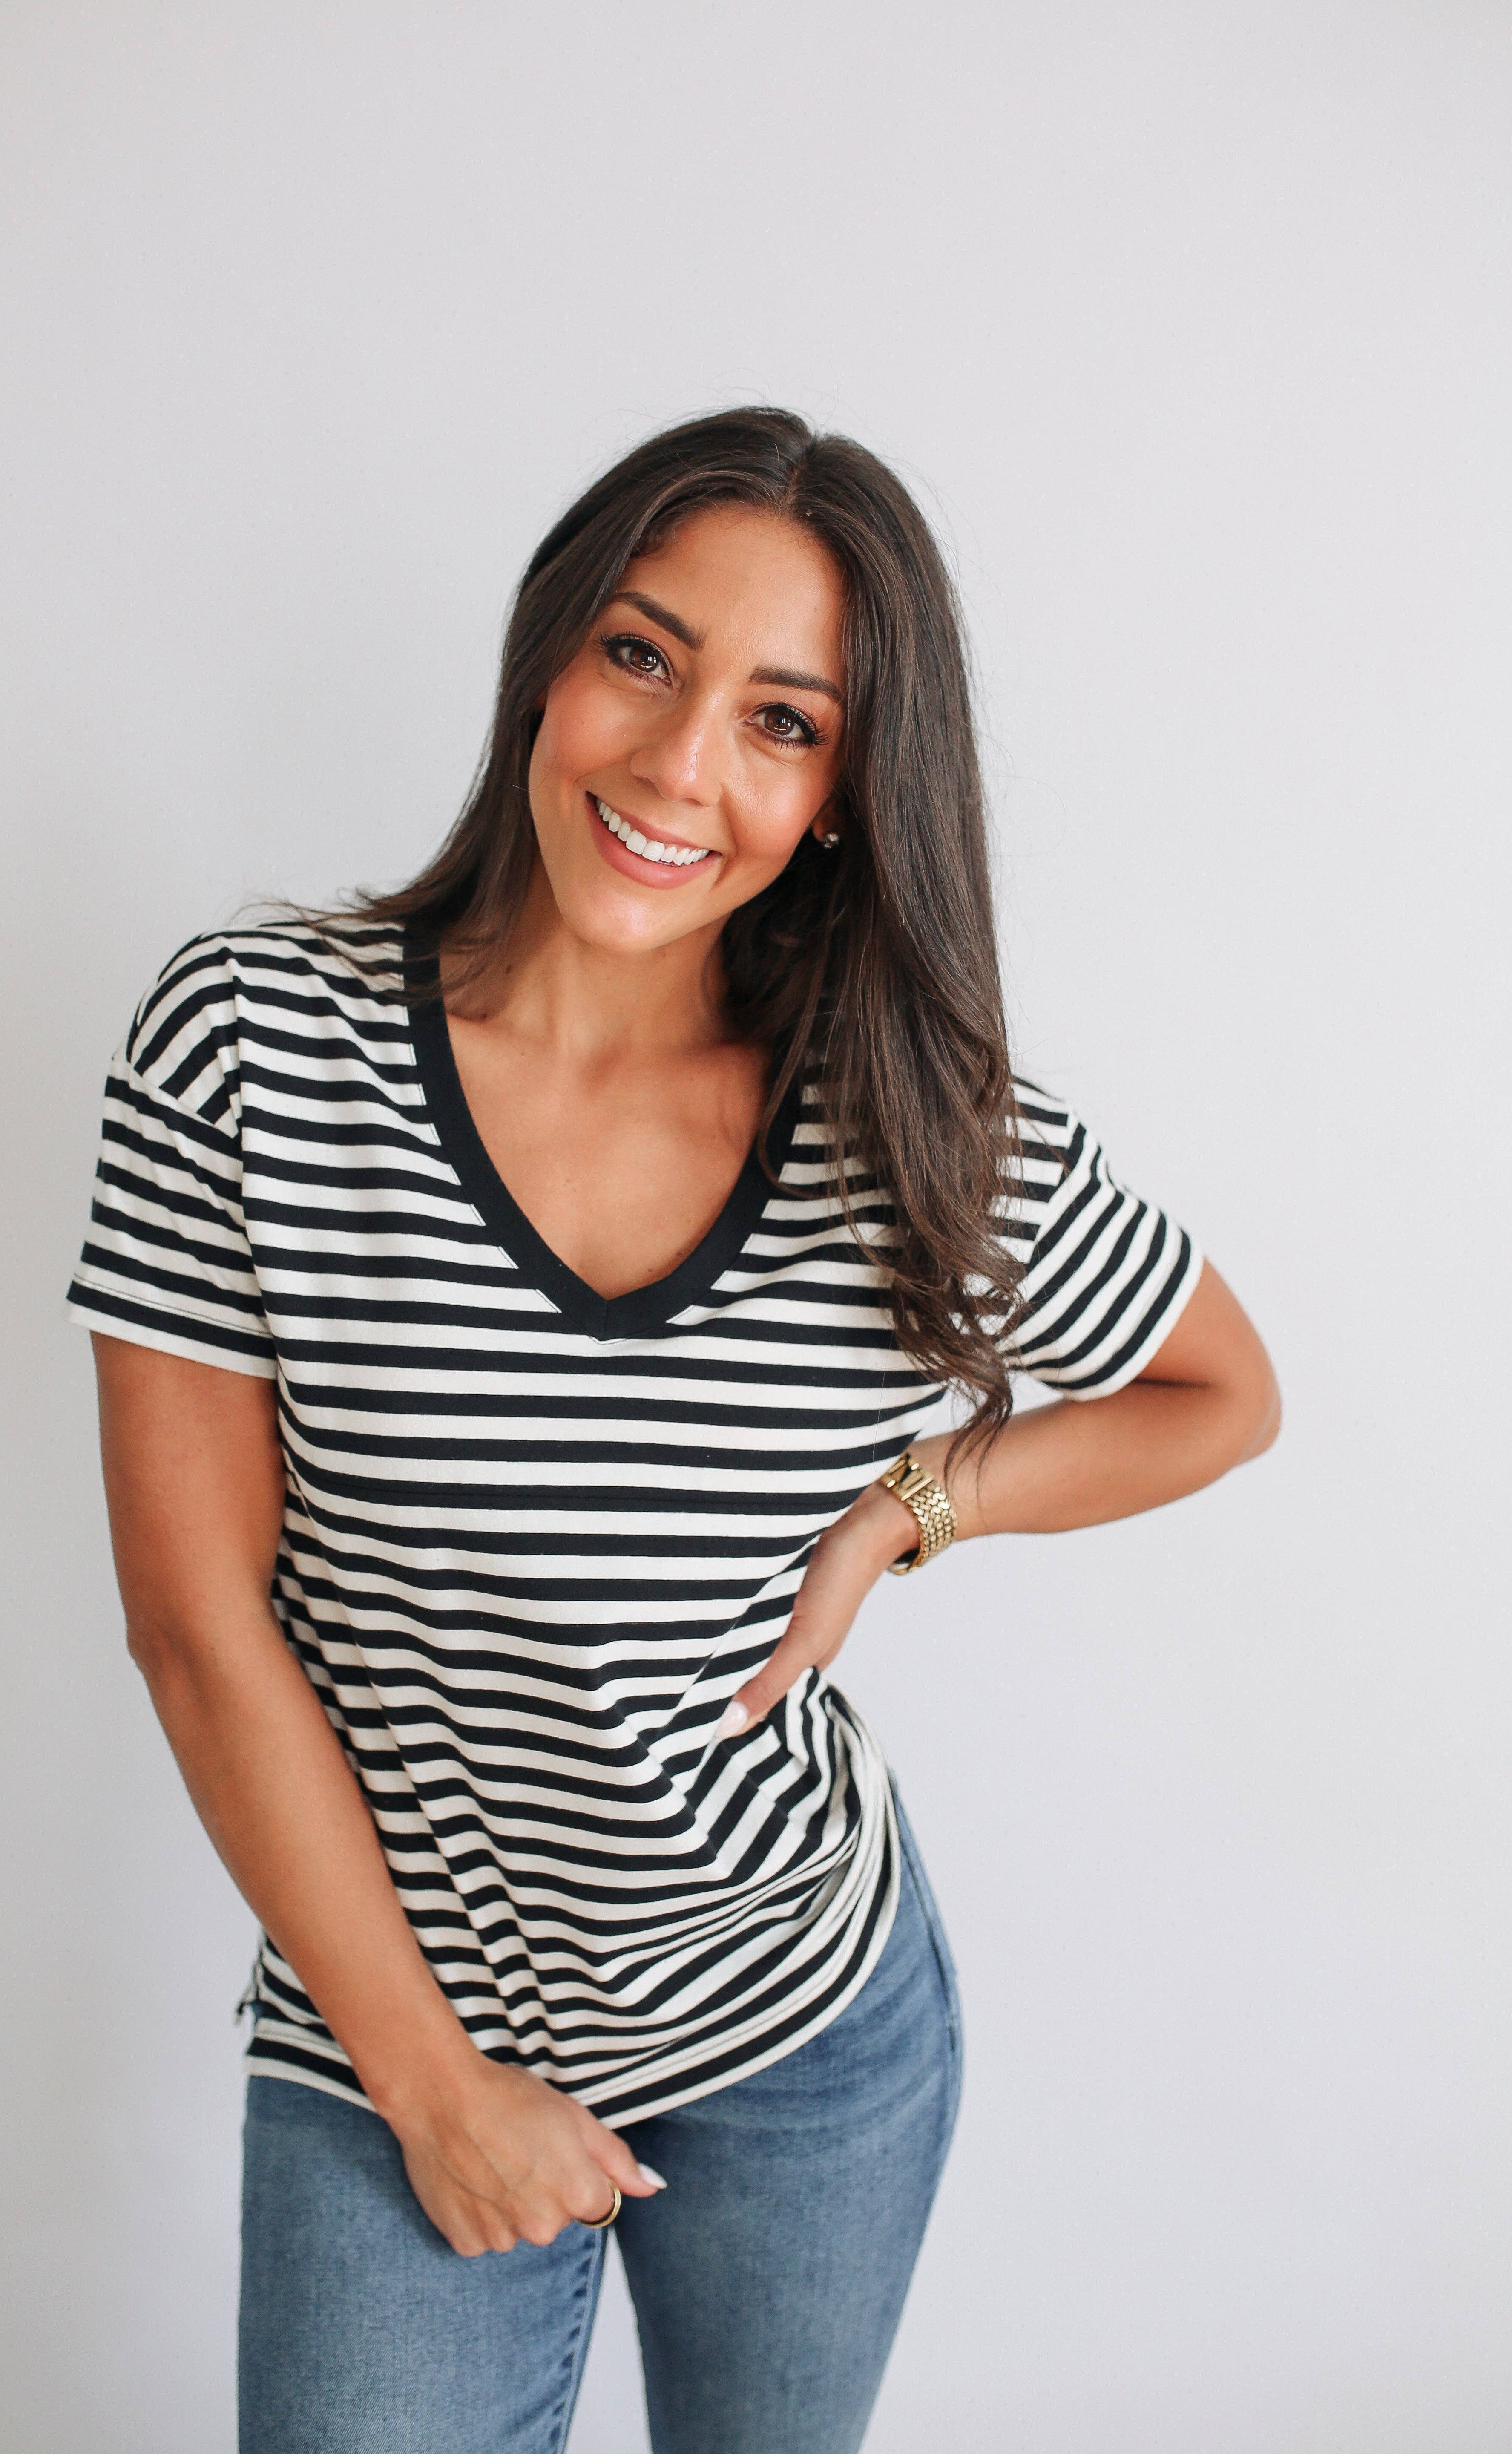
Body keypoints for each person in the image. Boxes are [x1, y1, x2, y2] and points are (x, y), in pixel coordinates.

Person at [69, 406, 1279, 2454]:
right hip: (390, 2026)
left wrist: (915, 1505)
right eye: (642, 655)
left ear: (843, 798)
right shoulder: (253, 1047)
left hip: (803, 2021)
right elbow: (201, 1632)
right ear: (550, 655)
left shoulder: (904, 1126)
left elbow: (1221, 1397)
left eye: (783, 722)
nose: (679, 764)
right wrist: (433, 2088)